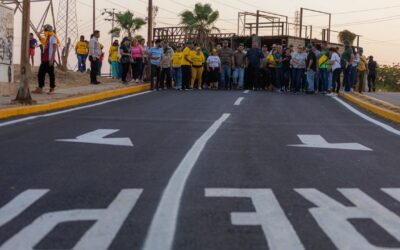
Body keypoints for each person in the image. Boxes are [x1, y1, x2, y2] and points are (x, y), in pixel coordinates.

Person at [32, 24, 58, 94]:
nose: (44, 31)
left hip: (49, 59)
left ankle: (52, 89)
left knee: (51, 74)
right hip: (44, 59)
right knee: (41, 74)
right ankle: (40, 88)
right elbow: (38, 34)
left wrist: (52, 59)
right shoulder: (47, 38)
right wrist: (41, 30)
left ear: (48, 30)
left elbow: (55, 47)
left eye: (45, 29)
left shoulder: (53, 37)